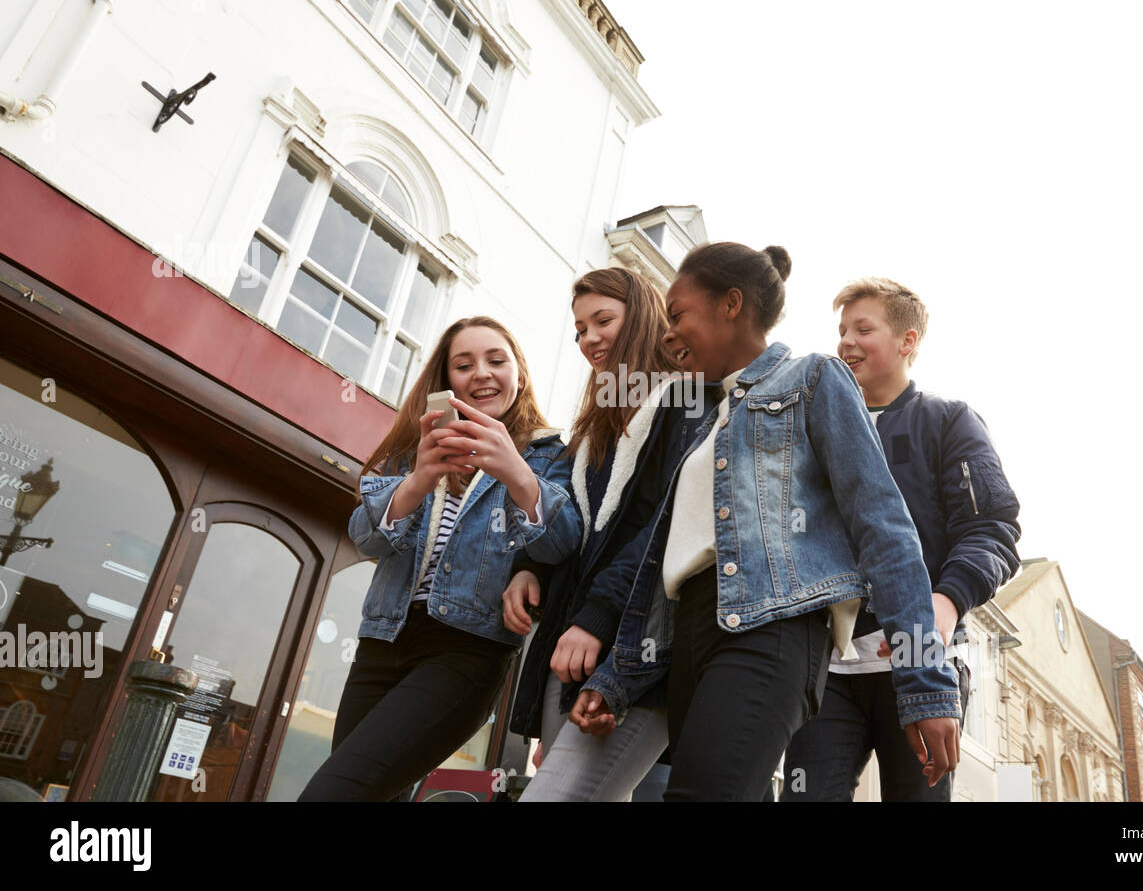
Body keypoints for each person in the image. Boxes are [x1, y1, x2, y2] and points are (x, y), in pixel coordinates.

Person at [568, 242, 963, 802]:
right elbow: (660, 563)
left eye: (677, 315)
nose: (667, 334)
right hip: (692, 638)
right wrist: (616, 678)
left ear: (731, 305)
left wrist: (925, 684)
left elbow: (884, 527)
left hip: (771, 630)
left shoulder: (813, 379)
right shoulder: (701, 422)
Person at [298, 316, 580, 802]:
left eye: (497, 360)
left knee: (334, 792)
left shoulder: (548, 455)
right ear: (446, 381)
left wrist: (514, 470)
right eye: (464, 364)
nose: (482, 373)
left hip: (465, 651)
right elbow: (366, 538)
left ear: (520, 373)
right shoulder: (417, 446)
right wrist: (418, 480)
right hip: (383, 639)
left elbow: (562, 544)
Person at [780, 277, 1021, 802]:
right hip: (824, 672)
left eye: (863, 328)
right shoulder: (805, 429)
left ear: (907, 341)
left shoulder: (948, 420)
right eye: (841, 329)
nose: (845, 341)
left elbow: (993, 530)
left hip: (920, 664)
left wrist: (945, 601)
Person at [502, 267, 696, 802]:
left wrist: (598, 617)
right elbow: (570, 517)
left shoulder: (686, 404)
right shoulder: (593, 427)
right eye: (580, 329)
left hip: (633, 644)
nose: (589, 339)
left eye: (603, 320)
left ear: (643, 318)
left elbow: (665, 528)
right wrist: (531, 567)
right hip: (571, 643)